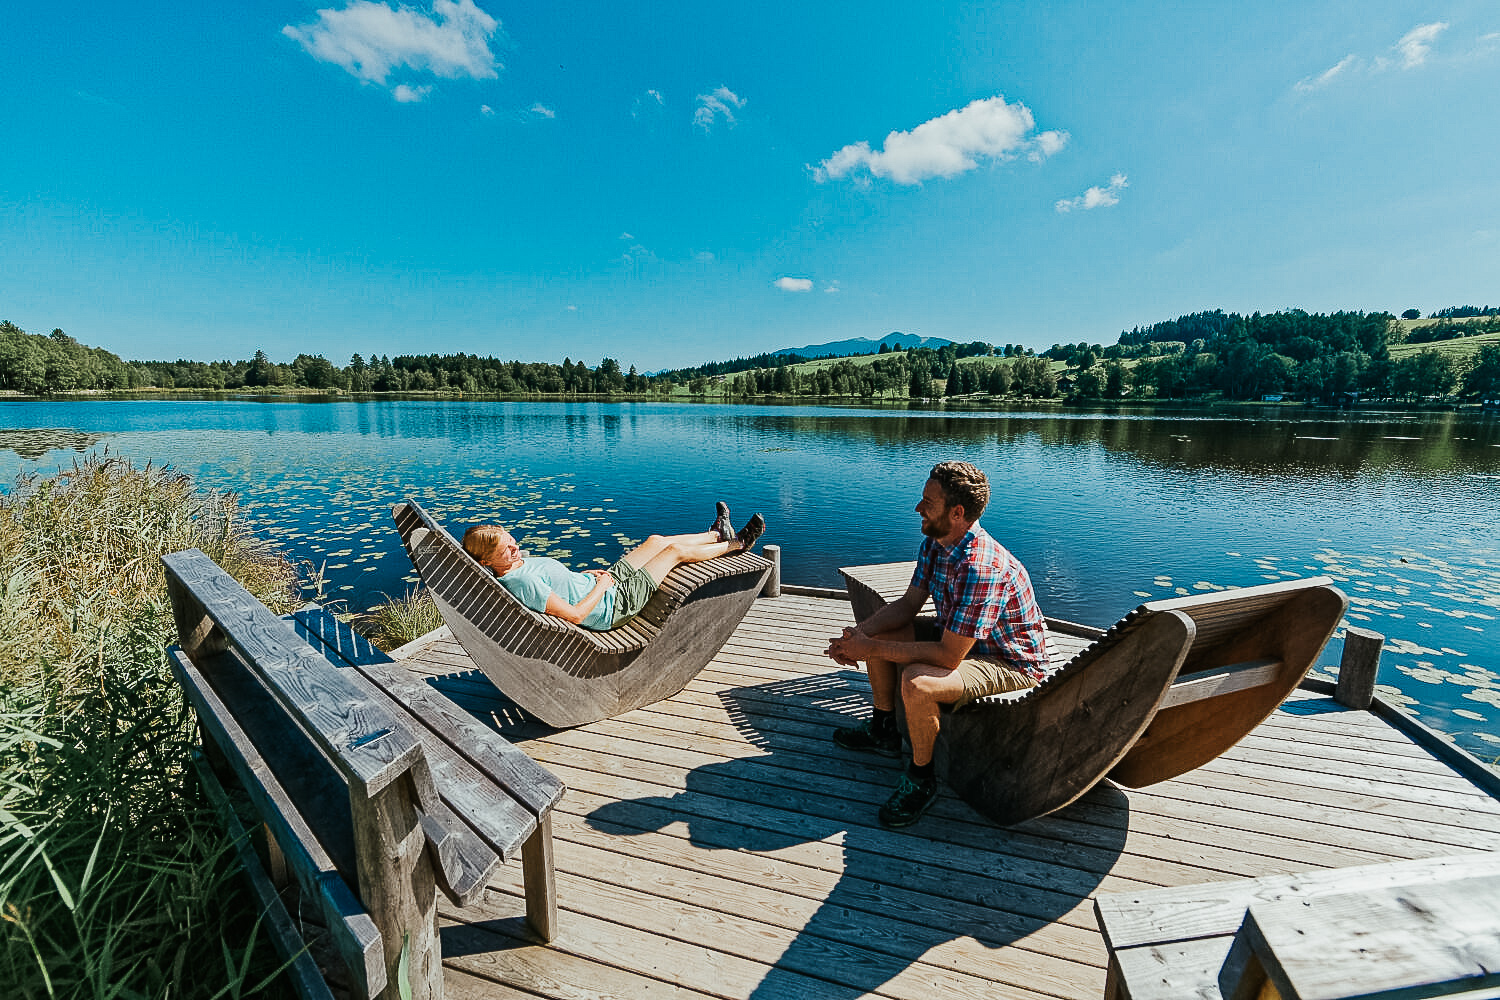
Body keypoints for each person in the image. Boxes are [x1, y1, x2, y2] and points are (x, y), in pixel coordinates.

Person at [824, 461, 1050, 828]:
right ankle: (883, 728)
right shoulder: (935, 543)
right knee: (881, 634)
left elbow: (947, 655)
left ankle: (921, 778)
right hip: (964, 639)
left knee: (919, 682)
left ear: (957, 512)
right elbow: (908, 605)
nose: (918, 508)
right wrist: (857, 636)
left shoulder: (982, 568)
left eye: (928, 501)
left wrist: (871, 649)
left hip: (1008, 662)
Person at [463, 502, 765, 631]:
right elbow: (577, 616)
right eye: (508, 548)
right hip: (612, 605)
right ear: (486, 560)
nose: (516, 546)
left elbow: (559, 586)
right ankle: (737, 543)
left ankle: (715, 533)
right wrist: (603, 587)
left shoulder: (517, 566)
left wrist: (583, 577)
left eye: (511, 539)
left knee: (655, 540)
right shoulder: (521, 582)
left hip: (601, 586)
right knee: (673, 553)